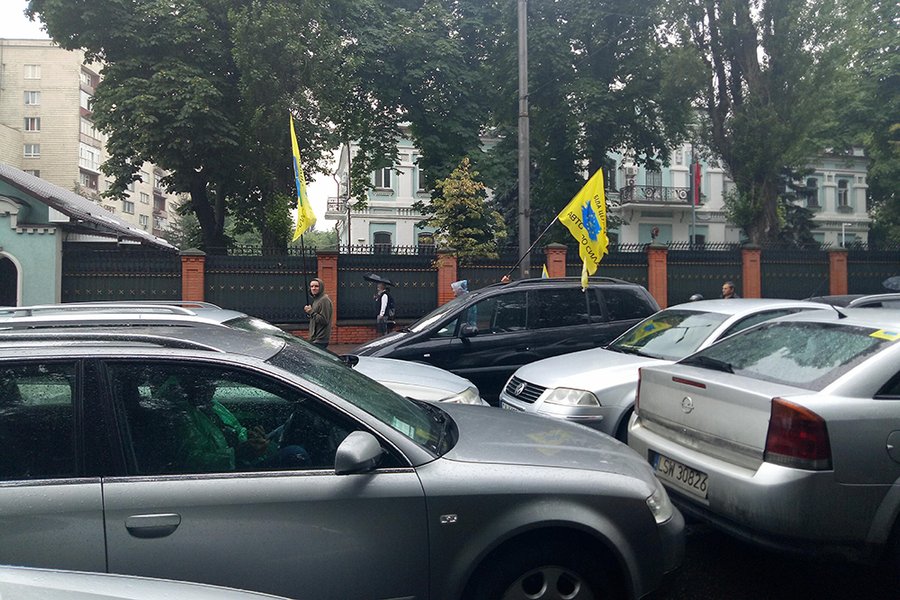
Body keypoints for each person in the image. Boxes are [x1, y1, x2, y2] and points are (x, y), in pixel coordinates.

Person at [304, 277, 333, 349]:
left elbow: (324, 320)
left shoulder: (324, 300)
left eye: (316, 286)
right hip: (314, 338)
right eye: (312, 286)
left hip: (320, 339)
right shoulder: (317, 299)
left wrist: (311, 312)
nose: (313, 288)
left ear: (321, 287)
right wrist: (310, 312)